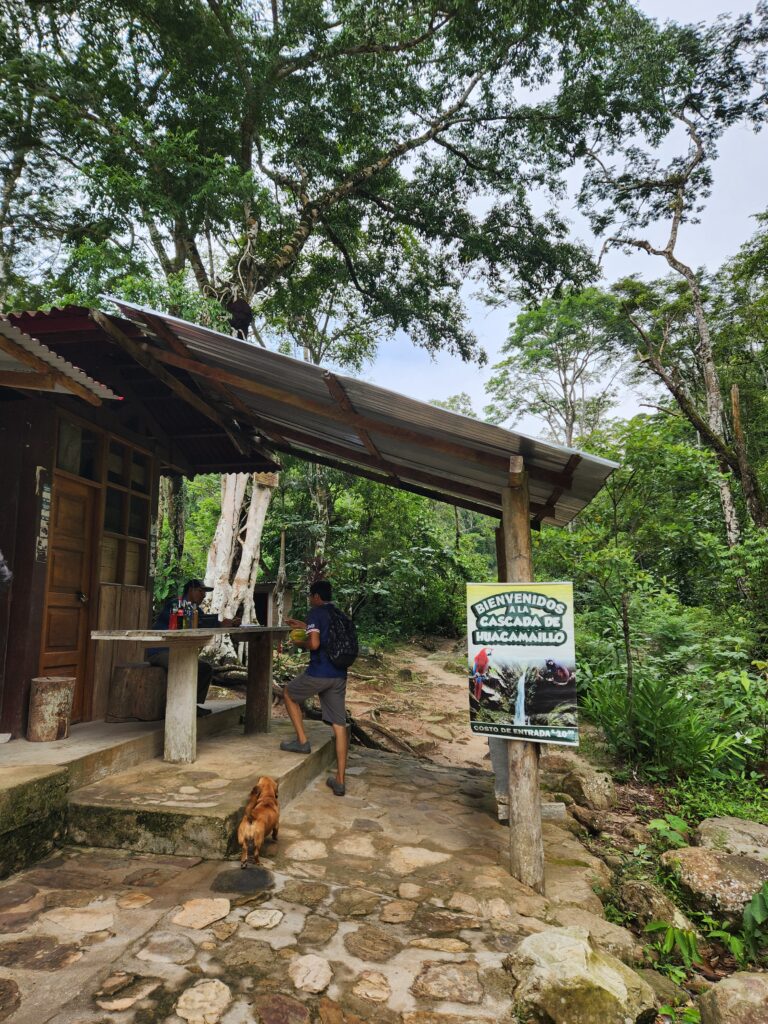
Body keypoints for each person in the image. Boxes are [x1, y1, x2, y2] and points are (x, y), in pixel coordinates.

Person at [280, 579, 348, 797]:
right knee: (339, 725)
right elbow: (324, 632)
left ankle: (302, 742)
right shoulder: (340, 615)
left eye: (311, 596)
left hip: (319, 673)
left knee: (289, 693)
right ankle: (340, 780)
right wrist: (302, 625)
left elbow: (315, 643)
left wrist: (301, 643)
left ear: (317, 597)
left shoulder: (316, 612)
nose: (310, 599)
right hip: (339, 674)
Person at [147, 579, 240, 717]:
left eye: (204, 592)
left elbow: (204, 622)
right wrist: (217, 623)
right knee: (185, 665)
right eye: (200, 591)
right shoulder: (175, 604)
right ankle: (176, 707)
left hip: (178, 651)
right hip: (160, 651)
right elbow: (189, 622)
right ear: (191, 589)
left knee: (205, 668)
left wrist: (227, 623)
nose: (203, 595)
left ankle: (191, 705)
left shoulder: (196, 610)